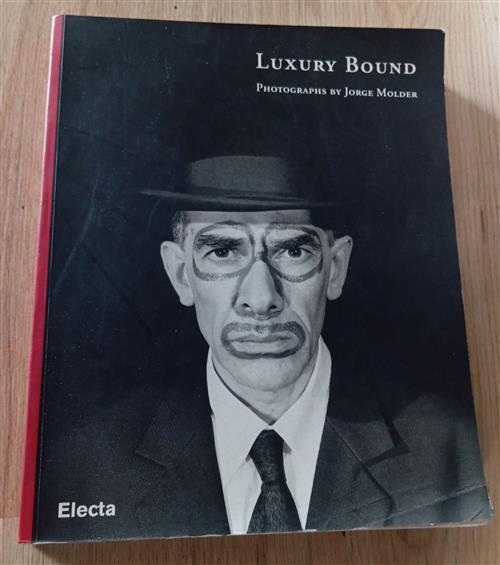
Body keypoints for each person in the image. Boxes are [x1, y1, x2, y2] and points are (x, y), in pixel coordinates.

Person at [42, 153, 490, 542]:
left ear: (335, 268)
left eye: (293, 251)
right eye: (222, 251)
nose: (260, 298)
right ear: (181, 275)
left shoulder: (453, 451)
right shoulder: (85, 465)